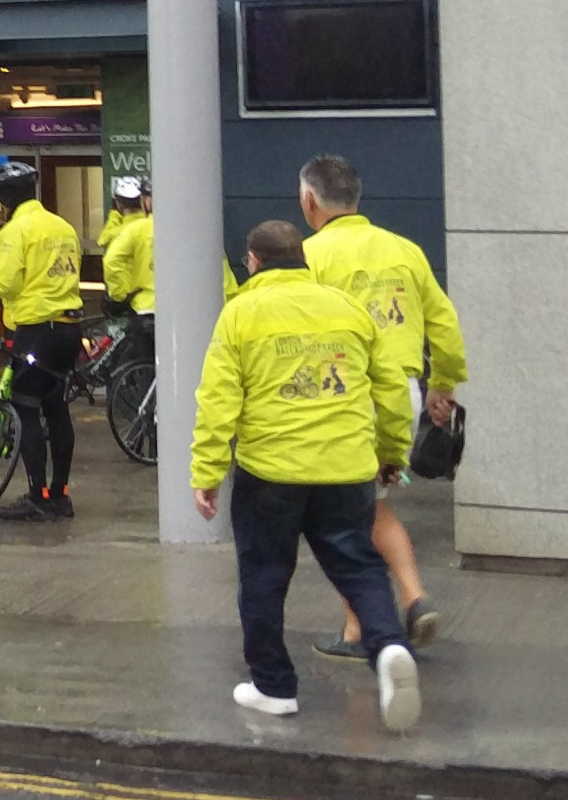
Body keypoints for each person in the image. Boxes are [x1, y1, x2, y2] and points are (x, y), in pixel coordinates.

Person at [192, 219, 420, 731]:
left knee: (265, 576)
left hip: (270, 472)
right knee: (359, 565)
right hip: (345, 468)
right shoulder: (347, 308)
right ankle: (387, 648)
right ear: (303, 259)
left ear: (253, 260)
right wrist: (391, 453)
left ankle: (273, 687)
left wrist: (206, 472)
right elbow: (389, 387)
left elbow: (218, 402)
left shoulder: (240, 314)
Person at [299, 153, 466, 657]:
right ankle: (413, 597)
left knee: (339, 516)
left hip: (344, 395)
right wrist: (444, 384)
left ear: (310, 201)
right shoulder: (405, 251)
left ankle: (358, 628)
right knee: (369, 505)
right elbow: (445, 324)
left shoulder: (309, 256)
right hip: (404, 391)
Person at [0, 163, 82, 522]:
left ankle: (37, 495)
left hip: (36, 328)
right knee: (57, 408)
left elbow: (7, 286)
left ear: (7, 198)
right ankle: (61, 493)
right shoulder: (62, 225)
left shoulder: (13, 231)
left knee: (25, 408)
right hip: (70, 327)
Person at [102, 177, 157, 373]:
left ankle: (145, 402)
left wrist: (120, 294)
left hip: (144, 309)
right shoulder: (188, 230)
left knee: (145, 372)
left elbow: (111, 261)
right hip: (179, 313)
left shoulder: (137, 229)